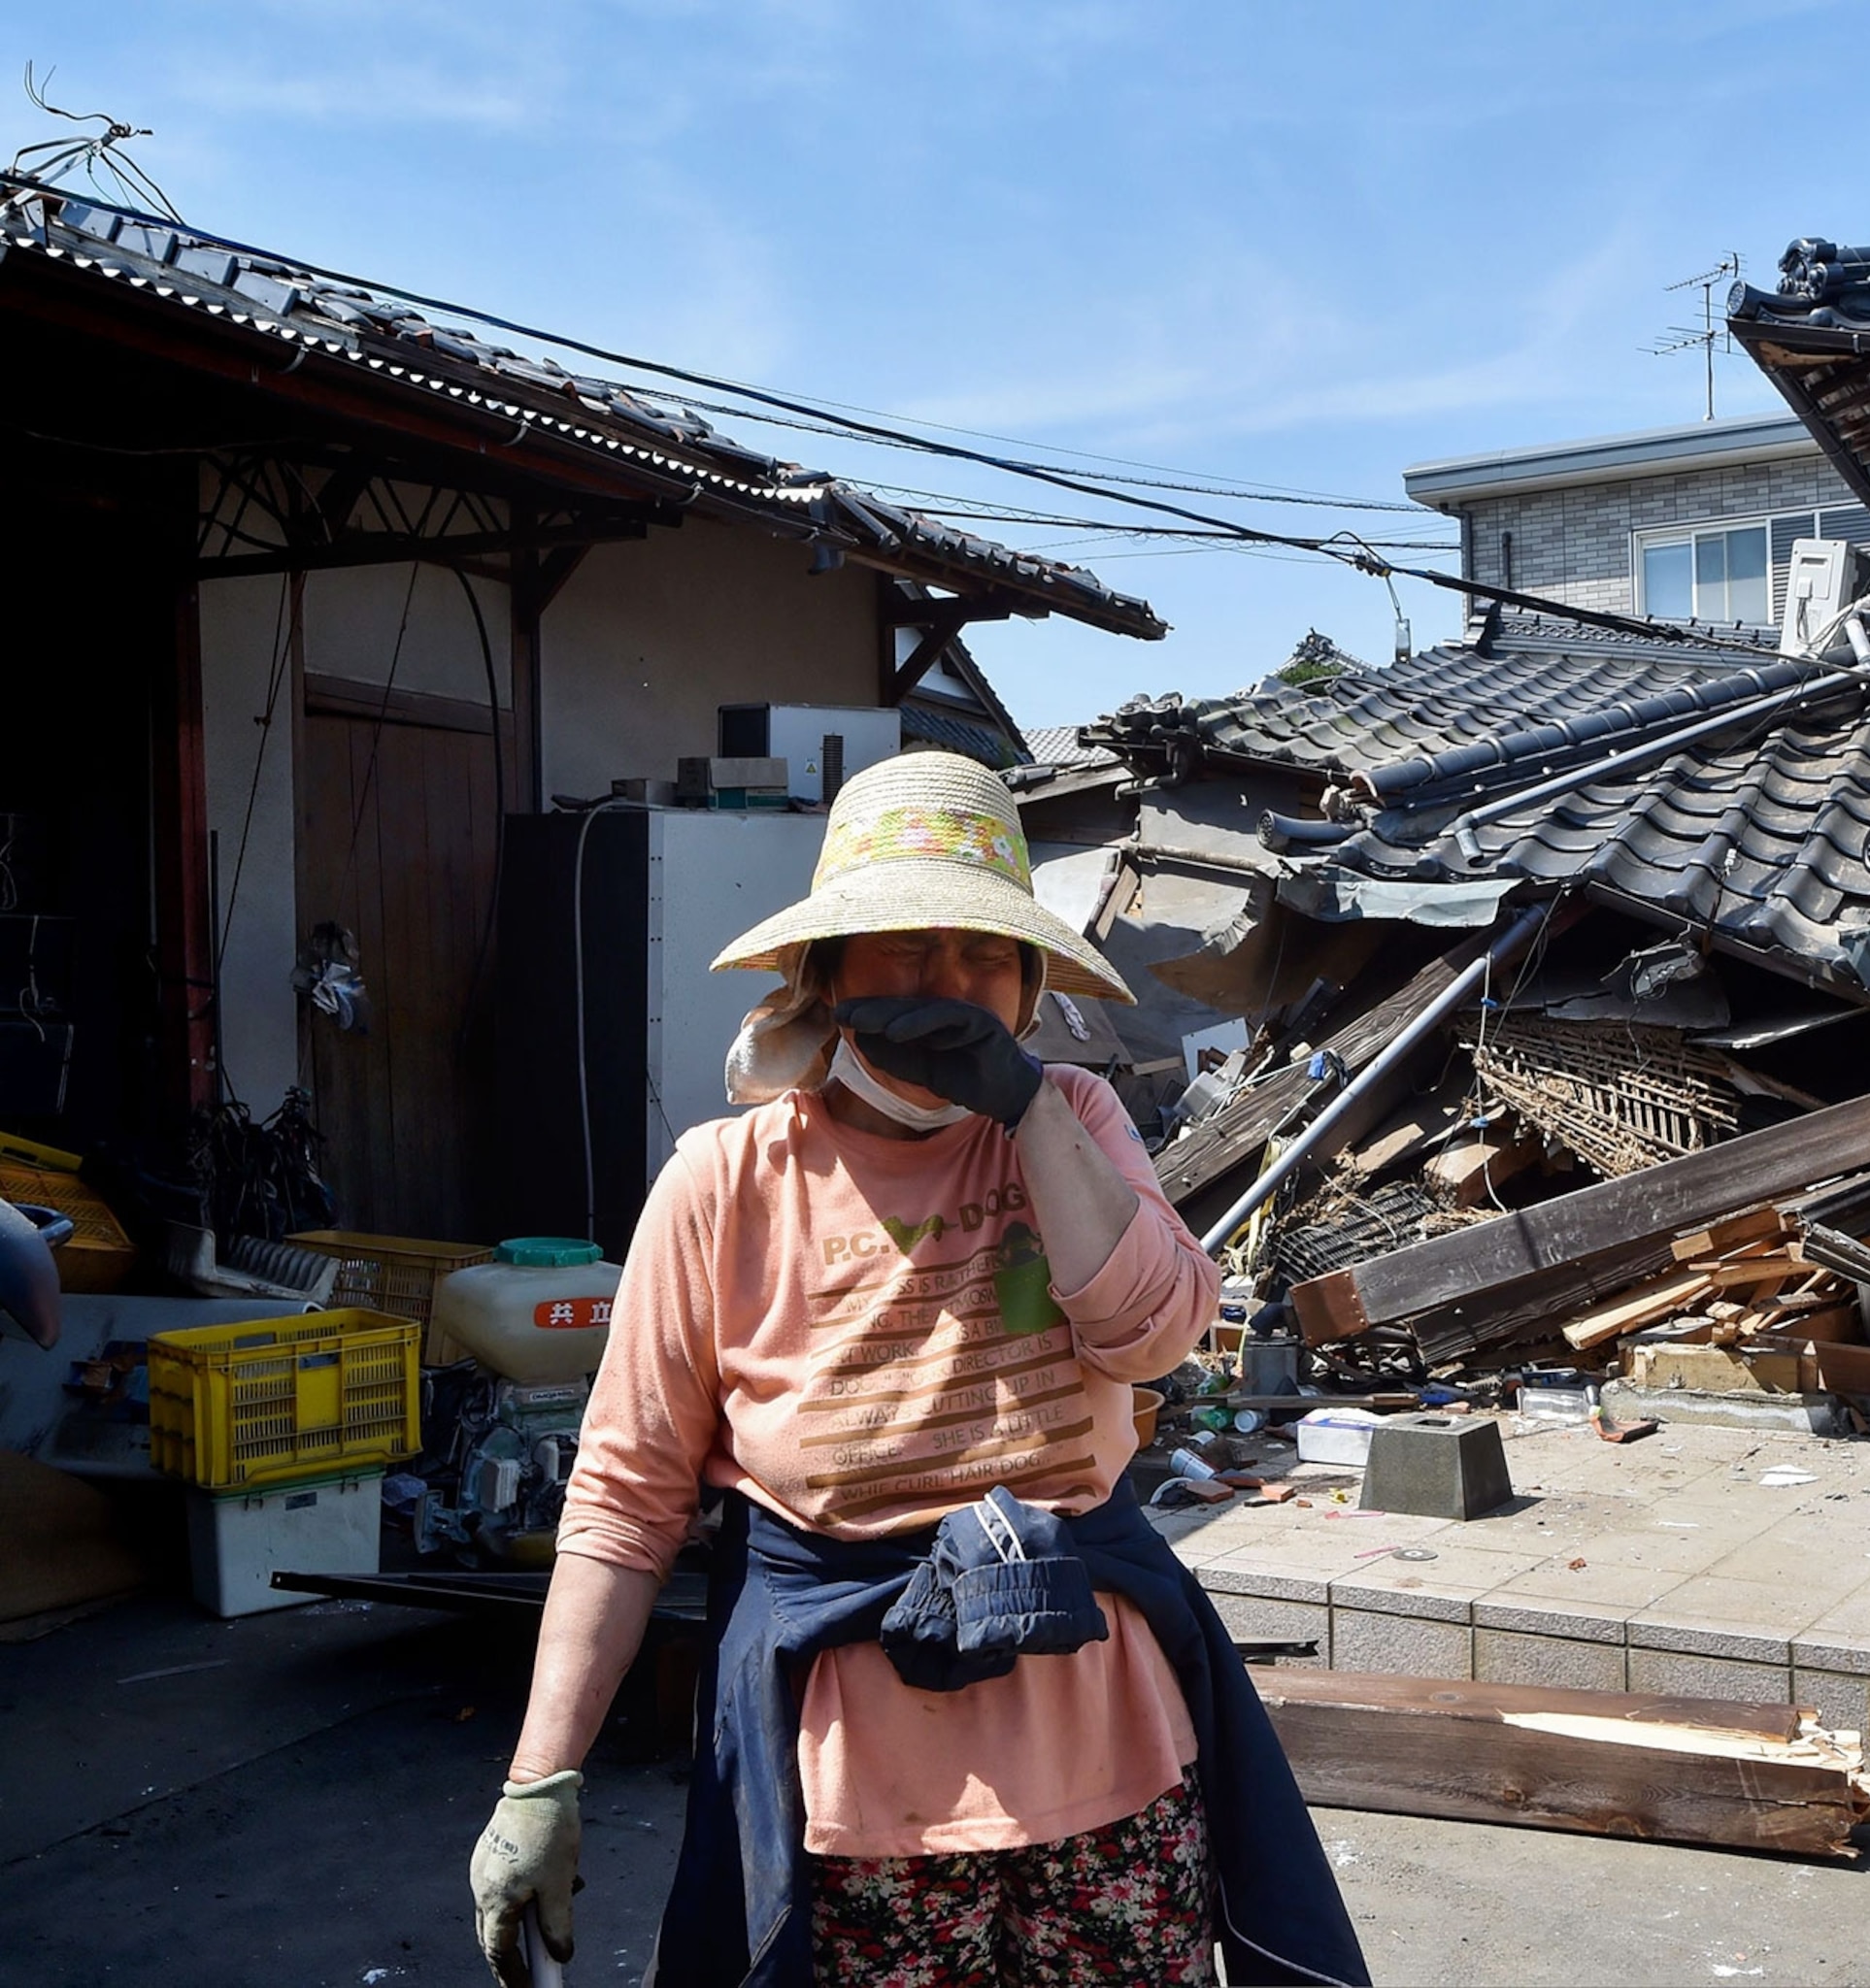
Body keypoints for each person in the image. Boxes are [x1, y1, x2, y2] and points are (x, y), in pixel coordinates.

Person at [467, 752, 1365, 1988]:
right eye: (904, 945)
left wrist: (1032, 1109)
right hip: (856, 1792)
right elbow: (625, 1501)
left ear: (1031, 984)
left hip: (1110, 1750)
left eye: (984, 956)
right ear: (824, 976)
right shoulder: (725, 1183)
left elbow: (1152, 1337)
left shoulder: (1080, 1126)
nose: (947, 986)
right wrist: (541, 1776)